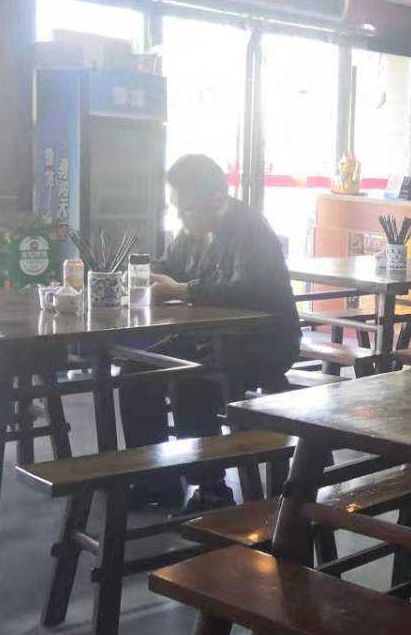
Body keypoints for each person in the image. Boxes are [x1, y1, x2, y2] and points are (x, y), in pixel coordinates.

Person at [119, 153, 301, 510]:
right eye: (175, 209)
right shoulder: (191, 232)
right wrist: (143, 275)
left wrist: (184, 290)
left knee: (191, 377)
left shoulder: (250, 229)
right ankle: (156, 479)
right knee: (135, 371)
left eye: (186, 209)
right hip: (208, 338)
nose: (180, 218)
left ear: (217, 200)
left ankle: (212, 486)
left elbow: (248, 290)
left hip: (263, 343)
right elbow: (170, 265)